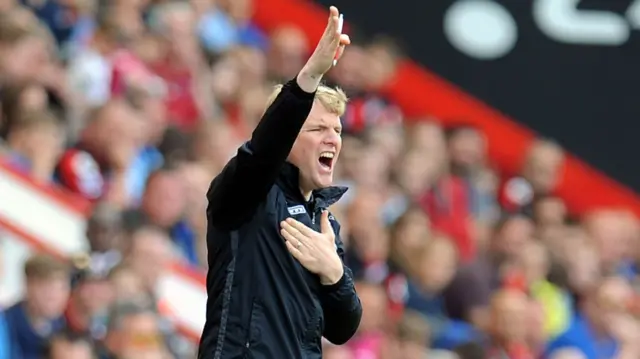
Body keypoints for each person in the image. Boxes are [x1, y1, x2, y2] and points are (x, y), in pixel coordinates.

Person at [198, 6, 362, 359]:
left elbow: (342, 328)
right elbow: (262, 152)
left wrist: (335, 275)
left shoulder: (324, 224)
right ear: (286, 138)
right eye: (318, 129)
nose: (333, 139)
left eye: (337, 130)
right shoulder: (249, 193)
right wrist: (311, 75)